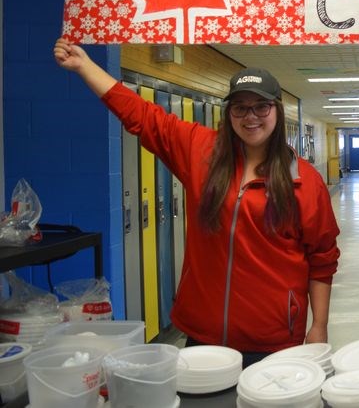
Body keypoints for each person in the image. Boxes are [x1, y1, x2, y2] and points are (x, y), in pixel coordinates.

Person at [54, 39, 340, 367]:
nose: (251, 117)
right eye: (240, 107)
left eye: (261, 106)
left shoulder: (303, 181)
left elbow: (322, 259)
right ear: (229, 112)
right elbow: (142, 116)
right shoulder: (202, 153)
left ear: (276, 109)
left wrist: (318, 326)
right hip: (202, 335)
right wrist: (84, 66)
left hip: (274, 340)